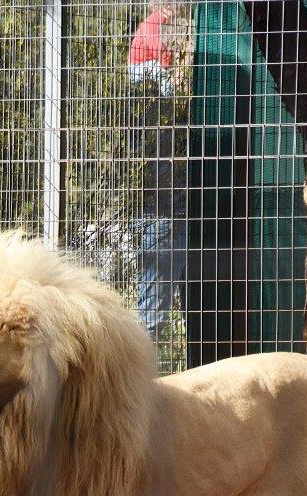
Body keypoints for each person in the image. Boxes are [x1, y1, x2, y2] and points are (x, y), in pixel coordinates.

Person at [128, 4, 188, 342]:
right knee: (153, 309)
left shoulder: (157, 29)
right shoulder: (158, 33)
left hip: (173, 200)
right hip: (163, 205)